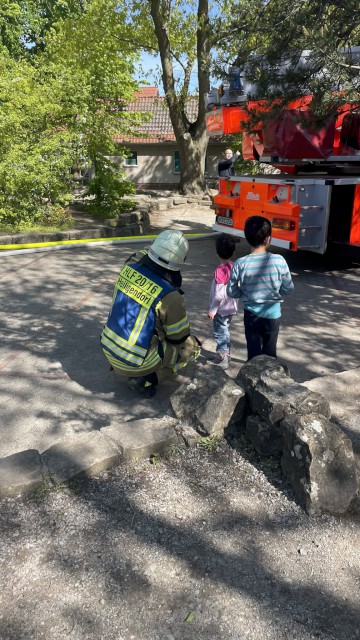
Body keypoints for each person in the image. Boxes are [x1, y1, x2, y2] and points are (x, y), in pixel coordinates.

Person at [100, 230, 201, 398]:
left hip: (109, 348)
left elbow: (139, 255)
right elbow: (178, 337)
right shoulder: (170, 296)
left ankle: (124, 365)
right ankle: (146, 379)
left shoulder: (128, 268)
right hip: (133, 362)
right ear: (181, 261)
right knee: (191, 347)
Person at [227, 216, 294, 361]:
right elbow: (288, 288)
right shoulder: (279, 260)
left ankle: (250, 378)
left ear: (247, 237)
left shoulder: (240, 264)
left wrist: (243, 292)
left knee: (253, 353)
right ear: (268, 239)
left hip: (251, 316)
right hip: (273, 315)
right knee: (270, 352)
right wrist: (276, 291)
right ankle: (271, 379)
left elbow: (231, 291)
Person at [207, 234, 238, 370]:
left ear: (216, 252)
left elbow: (219, 295)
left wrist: (212, 310)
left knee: (219, 333)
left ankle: (223, 358)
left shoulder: (220, 271)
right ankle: (226, 354)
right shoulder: (234, 266)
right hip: (231, 307)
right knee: (225, 331)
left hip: (220, 309)